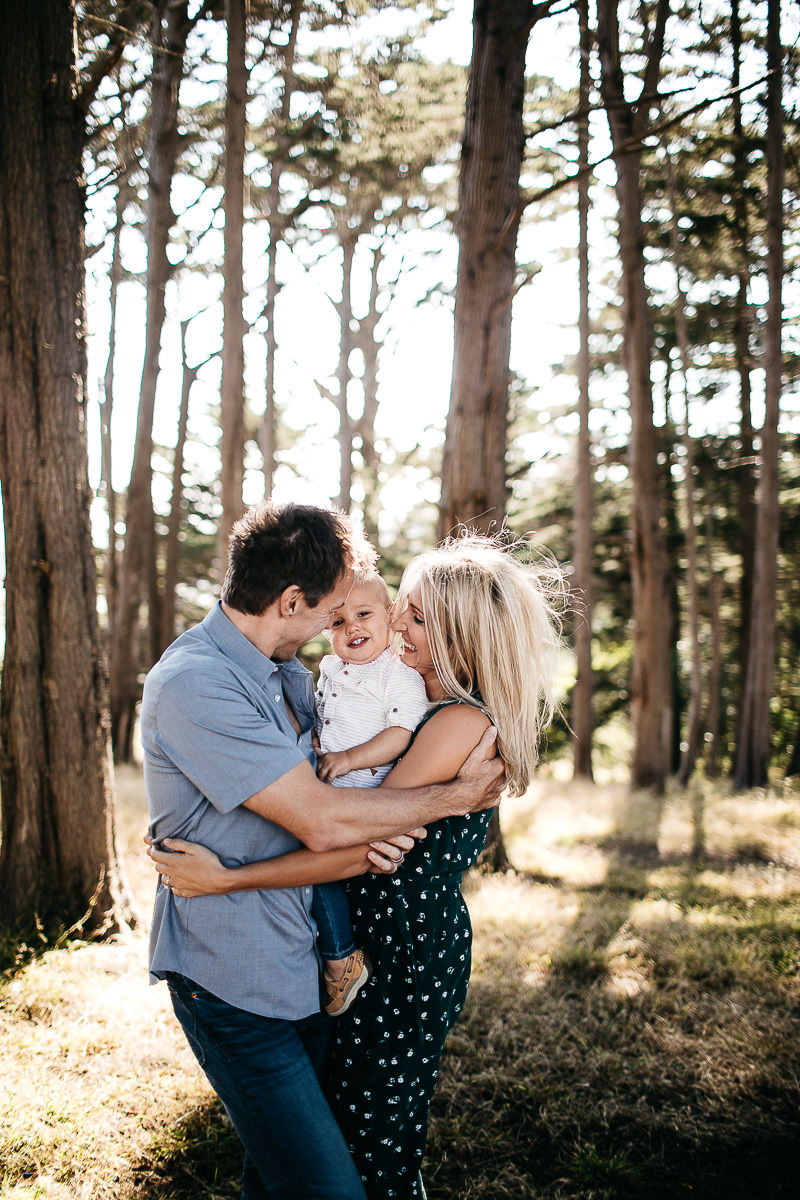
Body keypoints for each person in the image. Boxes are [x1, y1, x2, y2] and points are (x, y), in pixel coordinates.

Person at [148, 530, 562, 1200]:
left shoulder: (454, 724)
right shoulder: (419, 707)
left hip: (403, 955)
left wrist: (228, 878)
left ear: (462, 636)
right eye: (404, 606)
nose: (398, 622)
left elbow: (346, 849)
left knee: (371, 1142)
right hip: (385, 941)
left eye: (420, 618)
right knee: (339, 1138)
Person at [312, 570, 430, 1016]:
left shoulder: (396, 674)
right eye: (338, 622)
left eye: (363, 614)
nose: (352, 627)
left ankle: (342, 958)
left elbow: (400, 735)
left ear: (390, 617)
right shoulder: (330, 670)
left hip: (363, 797)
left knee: (315, 869)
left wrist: (347, 759)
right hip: (329, 790)